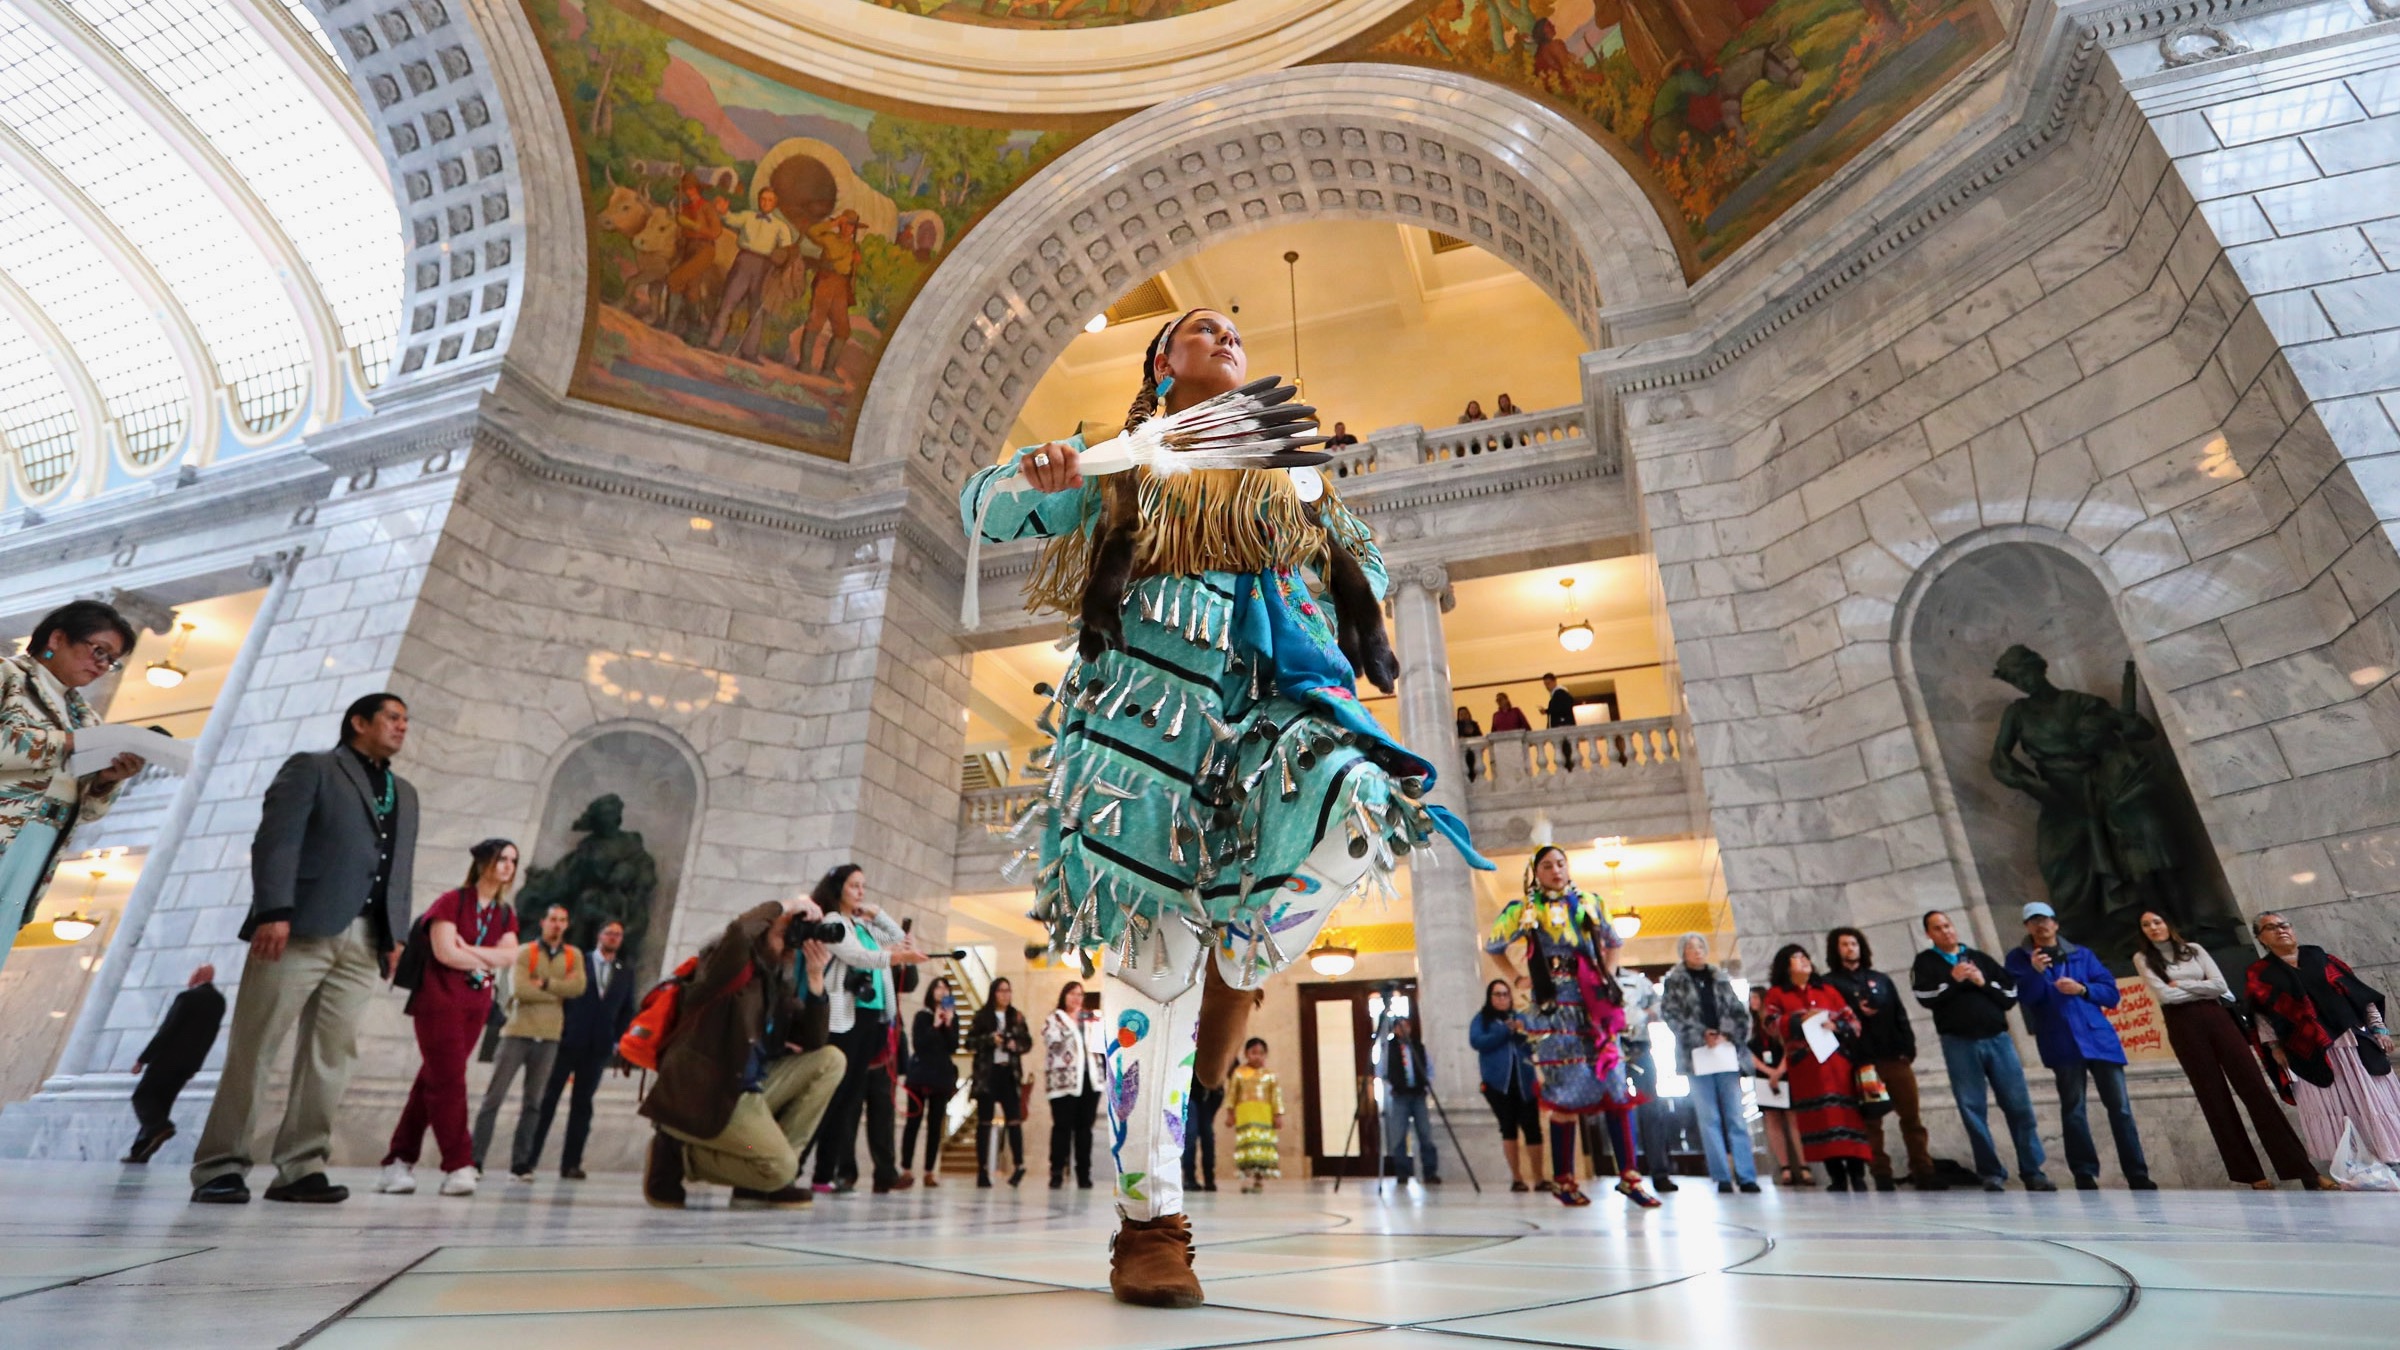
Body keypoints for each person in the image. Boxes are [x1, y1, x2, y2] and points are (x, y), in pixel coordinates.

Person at [958, 305, 1488, 1309]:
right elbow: (986, 508)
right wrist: (1033, 474)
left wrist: (1332, 567)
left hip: (1275, 719)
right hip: (1142, 739)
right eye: (1204, 328)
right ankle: (1151, 1224)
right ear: (1163, 361)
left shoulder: (1295, 477)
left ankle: (1238, 968)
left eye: (1237, 330)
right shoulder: (1119, 461)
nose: (1228, 333)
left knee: (1364, 806)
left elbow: (1362, 569)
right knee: (1151, 975)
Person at [193, 692, 416, 1206]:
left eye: (406, 720)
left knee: (332, 1054)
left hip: (365, 938)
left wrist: (395, 934)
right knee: (257, 1046)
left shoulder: (404, 791)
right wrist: (274, 910)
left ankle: (301, 1166)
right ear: (358, 722)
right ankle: (220, 1166)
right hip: (297, 927)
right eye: (392, 717)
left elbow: (398, 869)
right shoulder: (313, 768)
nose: (402, 727)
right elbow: (277, 840)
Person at [643, 895, 845, 1209]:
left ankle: (766, 1177)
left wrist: (817, 979)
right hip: (712, 1092)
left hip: (751, 1092)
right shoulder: (726, 965)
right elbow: (738, 931)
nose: (787, 939)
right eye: (782, 931)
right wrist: (784, 906)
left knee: (831, 1060)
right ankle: (679, 1155)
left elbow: (813, 1042)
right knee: (780, 1167)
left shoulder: (777, 980)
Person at [1486, 846, 1654, 1209]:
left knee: (1616, 1086)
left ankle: (1629, 1177)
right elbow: (1494, 946)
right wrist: (1517, 979)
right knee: (1564, 1093)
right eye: (1547, 866)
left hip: (1594, 1004)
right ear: (1536, 873)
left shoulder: (1590, 902)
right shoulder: (1523, 911)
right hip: (1553, 1009)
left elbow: (1614, 942)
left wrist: (1606, 972)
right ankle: (1563, 1179)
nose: (1556, 870)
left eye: (1560, 863)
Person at [1, 601, 145, 976]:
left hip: (39, 844)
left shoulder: (88, 718)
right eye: (98, 650)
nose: (102, 665)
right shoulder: (8, 676)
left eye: (111, 660)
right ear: (58, 637)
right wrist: (65, 743)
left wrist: (105, 781)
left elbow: (91, 813)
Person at [2134, 910, 2321, 1189]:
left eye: (2157, 921)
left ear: (2168, 924)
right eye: (2146, 925)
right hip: (2183, 1025)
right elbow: (2165, 995)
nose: (2153, 927)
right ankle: (2251, 1174)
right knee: (2213, 1096)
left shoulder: (2193, 950)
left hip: (2217, 1018)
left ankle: (2303, 1170)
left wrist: (2183, 984)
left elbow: (2220, 986)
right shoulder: (2144, 959)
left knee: (2255, 1089)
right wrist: (2200, 987)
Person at [379, 839, 520, 1197]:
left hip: (476, 1005)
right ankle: (459, 1163)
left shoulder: (505, 913)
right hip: (438, 1001)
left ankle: (398, 1161)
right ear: (484, 862)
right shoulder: (452, 901)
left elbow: (509, 957)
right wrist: (483, 955)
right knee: (449, 1080)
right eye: (501, 858)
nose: (507, 866)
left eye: (513, 861)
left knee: (433, 1080)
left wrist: (468, 950)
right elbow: (444, 953)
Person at [2007, 901, 2154, 1190]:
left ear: (2055, 923)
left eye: (2046, 919)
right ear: (2027, 927)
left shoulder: (2082, 954)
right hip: (2061, 1042)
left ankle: (2137, 1173)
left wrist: (2083, 989)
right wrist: (2035, 972)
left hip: (2099, 1039)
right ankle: (2083, 1173)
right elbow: (2023, 999)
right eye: (2034, 921)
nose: (2041, 925)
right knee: (2073, 1109)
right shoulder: (2018, 959)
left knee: (2121, 1109)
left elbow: (2111, 994)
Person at [1911, 909, 2053, 1192]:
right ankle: (1991, 1172)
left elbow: (2009, 996)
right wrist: (1952, 980)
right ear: (1929, 934)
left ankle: (2032, 1170)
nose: (1946, 932)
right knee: (1972, 1107)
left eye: (1948, 925)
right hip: (1959, 1043)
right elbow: (1924, 997)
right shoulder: (1925, 963)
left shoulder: (1981, 959)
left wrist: (1981, 982)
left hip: (1997, 1039)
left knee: (2019, 1105)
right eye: (1937, 928)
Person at [2246, 911, 2400, 1167]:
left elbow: (2360, 996)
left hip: (2351, 1043)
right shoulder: (2261, 974)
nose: (2280, 930)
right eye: (2271, 928)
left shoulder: (2322, 958)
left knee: (2372, 1099)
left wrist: (2379, 1029)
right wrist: (2274, 1046)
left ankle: (2391, 1157)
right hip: (2306, 1050)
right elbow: (2261, 1015)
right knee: (2332, 1108)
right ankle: (2352, 1165)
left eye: (2284, 925)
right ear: (2261, 938)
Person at [808, 864, 925, 1194]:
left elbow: (901, 943)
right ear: (838, 889)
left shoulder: (863, 923)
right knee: (835, 1096)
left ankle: (824, 1175)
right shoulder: (832, 923)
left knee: (846, 1101)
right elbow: (861, 958)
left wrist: (879, 914)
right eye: (854, 886)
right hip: (845, 1016)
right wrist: (892, 954)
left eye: (863, 886)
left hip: (874, 1018)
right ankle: (813, 1169)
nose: (861, 892)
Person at [473, 902, 586, 1181]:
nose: (557, 924)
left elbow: (578, 988)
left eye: (562, 920)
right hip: (517, 1032)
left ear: (567, 924)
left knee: (534, 1102)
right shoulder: (525, 952)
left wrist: (545, 984)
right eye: (553, 919)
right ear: (543, 922)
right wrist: (558, 989)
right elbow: (521, 989)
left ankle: (521, 1163)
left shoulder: (573, 956)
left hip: (549, 1036)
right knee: (493, 1098)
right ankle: (474, 1159)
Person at [1822, 926, 1937, 1191]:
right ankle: (1881, 1174)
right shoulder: (1830, 984)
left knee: (1912, 1117)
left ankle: (1923, 1170)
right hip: (1862, 1061)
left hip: (1894, 1056)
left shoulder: (1881, 979)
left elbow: (1899, 1014)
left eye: (1854, 943)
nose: (1850, 948)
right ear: (1835, 950)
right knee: (1871, 1122)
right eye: (1844, 944)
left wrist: (1908, 1049)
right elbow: (1833, 1021)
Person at [526, 918, 637, 1180]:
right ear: (599, 935)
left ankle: (571, 1163)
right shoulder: (578, 962)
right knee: (548, 1100)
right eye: (609, 933)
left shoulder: (625, 971)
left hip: (597, 1047)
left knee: (583, 1106)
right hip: (568, 1042)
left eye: (618, 935)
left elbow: (626, 1009)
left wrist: (619, 1039)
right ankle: (528, 1159)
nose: (613, 938)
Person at [1659, 934, 1760, 1193]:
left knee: (1736, 1117)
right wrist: (1700, 1034)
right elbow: (1670, 1015)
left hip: (1726, 1053)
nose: (1697, 951)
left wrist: (1726, 1033)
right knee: (1709, 1118)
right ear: (1683, 952)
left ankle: (1747, 1176)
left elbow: (1740, 1013)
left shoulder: (1721, 979)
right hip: (1697, 1056)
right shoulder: (1675, 982)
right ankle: (1722, 1176)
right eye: (1691, 948)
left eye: (1701, 946)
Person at [124, 964, 226, 1164]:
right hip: (189, 1064)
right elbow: (210, 1036)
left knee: (142, 1096)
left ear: (196, 975)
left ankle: (160, 1129)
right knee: (162, 1104)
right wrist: (196, 1065)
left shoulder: (187, 998)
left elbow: (167, 1030)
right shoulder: (219, 1001)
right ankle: (140, 1151)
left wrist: (143, 1059)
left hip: (167, 1059)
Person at [1468, 978, 1545, 1192]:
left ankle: (1539, 1178)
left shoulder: (1521, 1017)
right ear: (1490, 998)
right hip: (1498, 1085)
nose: (1502, 999)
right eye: (1497, 994)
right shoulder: (1482, 1019)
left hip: (1525, 1082)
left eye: (1505, 994)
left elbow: (1537, 1040)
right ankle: (1517, 1178)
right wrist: (1504, 1031)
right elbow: (1477, 1042)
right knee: (1508, 1128)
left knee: (1533, 1129)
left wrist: (1523, 1030)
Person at [707, 187, 798, 360]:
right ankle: (713, 342)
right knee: (727, 302)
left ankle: (749, 352)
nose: (766, 203)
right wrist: (724, 211)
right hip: (743, 262)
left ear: (775, 204)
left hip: (765, 267)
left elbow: (786, 249)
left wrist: (784, 259)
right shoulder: (748, 216)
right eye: (763, 199)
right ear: (758, 200)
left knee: (757, 309)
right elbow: (731, 219)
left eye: (770, 200)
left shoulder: (781, 227)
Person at [1614, 962, 1676, 1193]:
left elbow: (1658, 1004)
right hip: (1610, 1051)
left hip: (1639, 1047)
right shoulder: (1591, 978)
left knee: (1652, 1111)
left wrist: (1647, 1014)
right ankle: (1626, 1173)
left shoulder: (1636, 980)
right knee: (1617, 1113)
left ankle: (1660, 1172)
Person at [967, 975, 1032, 1187]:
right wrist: (989, 1039)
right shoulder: (982, 1016)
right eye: (1001, 990)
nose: (1005, 995)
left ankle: (1019, 1165)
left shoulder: (1017, 1016)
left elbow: (1027, 1042)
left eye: (1008, 990)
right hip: (987, 1075)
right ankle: (982, 1169)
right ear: (993, 993)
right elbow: (969, 1042)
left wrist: (1014, 1045)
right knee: (984, 1122)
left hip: (1009, 1074)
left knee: (1014, 1120)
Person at [1044, 980, 1107, 1189]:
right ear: (1064, 996)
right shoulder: (1054, 1019)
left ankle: (1084, 1174)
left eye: (1080, 994)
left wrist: (1095, 1023)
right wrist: (1071, 1024)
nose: (1076, 998)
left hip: (1090, 1082)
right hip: (1063, 1084)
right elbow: (1052, 1042)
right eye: (1072, 994)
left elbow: (1101, 1047)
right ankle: (1056, 1172)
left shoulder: (1090, 1019)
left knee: (1084, 1129)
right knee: (1062, 1128)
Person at [901, 976, 962, 1187]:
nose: (942, 990)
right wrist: (935, 1024)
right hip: (920, 1075)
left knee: (936, 1125)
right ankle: (906, 1168)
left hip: (941, 1076)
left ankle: (929, 1171)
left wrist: (948, 1023)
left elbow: (953, 1046)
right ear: (931, 991)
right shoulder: (922, 1016)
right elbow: (919, 1044)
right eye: (938, 987)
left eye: (946, 987)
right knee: (913, 1122)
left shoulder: (953, 1018)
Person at [1748, 983, 1805, 1184]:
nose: (1752, 1002)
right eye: (1750, 998)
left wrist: (1780, 1070)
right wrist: (1768, 1071)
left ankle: (1804, 1165)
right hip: (1763, 1074)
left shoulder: (1775, 1021)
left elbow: (1789, 1045)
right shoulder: (1750, 1026)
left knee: (1793, 1118)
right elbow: (1747, 1053)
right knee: (1772, 1120)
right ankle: (1785, 1167)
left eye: (1755, 997)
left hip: (1784, 1071)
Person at [793, 209, 860, 375]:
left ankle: (828, 369)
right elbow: (811, 232)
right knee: (815, 321)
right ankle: (804, 365)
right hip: (826, 282)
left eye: (851, 225)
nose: (847, 228)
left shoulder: (854, 247)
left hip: (841, 287)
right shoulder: (829, 238)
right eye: (844, 224)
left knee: (842, 330)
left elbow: (852, 273)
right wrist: (833, 223)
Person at [1381, 1016, 1440, 1184]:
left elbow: (1428, 1069)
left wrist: (1426, 1087)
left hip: (1418, 1096)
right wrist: (1390, 1088)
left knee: (1425, 1134)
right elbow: (1381, 1071)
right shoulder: (1388, 1049)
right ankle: (1403, 1173)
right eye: (1400, 1027)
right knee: (1399, 1136)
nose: (1404, 1030)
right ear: (1395, 1030)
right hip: (1399, 1097)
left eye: (1406, 1026)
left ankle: (1430, 1172)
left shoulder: (1418, 1047)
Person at [1228, 1037, 1283, 1192]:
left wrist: (1277, 1115)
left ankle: (1259, 1180)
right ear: (1246, 1053)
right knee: (1247, 1147)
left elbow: (1276, 1096)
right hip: (1245, 1115)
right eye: (1253, 1053)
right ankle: (1245, 1179)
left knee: (1261, 1148)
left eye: (1261, 1053)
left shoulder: (1270, 1075)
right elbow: (1232, 1095)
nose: (1257, 1056)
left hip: (1264, 1115)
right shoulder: (1239, 1073)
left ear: (1266, 1055)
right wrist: (1230, 1114)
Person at [1182, 1076, 1225, 1194]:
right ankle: (1189, 1178)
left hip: (1208, 1096)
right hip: (1189, 1094)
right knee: (1190, 1135)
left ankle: (1209, 1179)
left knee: (1208, 1137)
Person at [1456, 706, 1484, 783]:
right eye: (1461, 714)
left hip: (1473, 752)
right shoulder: (1456, 725)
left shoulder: (1474, 724)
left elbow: (1479, 736)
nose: (1464, 716)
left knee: (1473, 770)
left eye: (1465, 713)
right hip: (1462, 753)